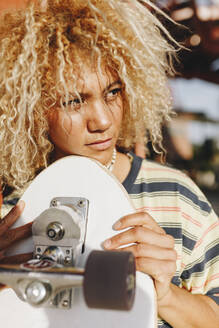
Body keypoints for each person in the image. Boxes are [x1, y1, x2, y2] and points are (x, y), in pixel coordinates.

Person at [0, 1, 218, 327]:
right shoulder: (12, 207)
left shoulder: (177, 196)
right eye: (75, 100)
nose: (102, 120)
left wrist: (165, 296)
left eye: (112, 92)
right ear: (35, 106)